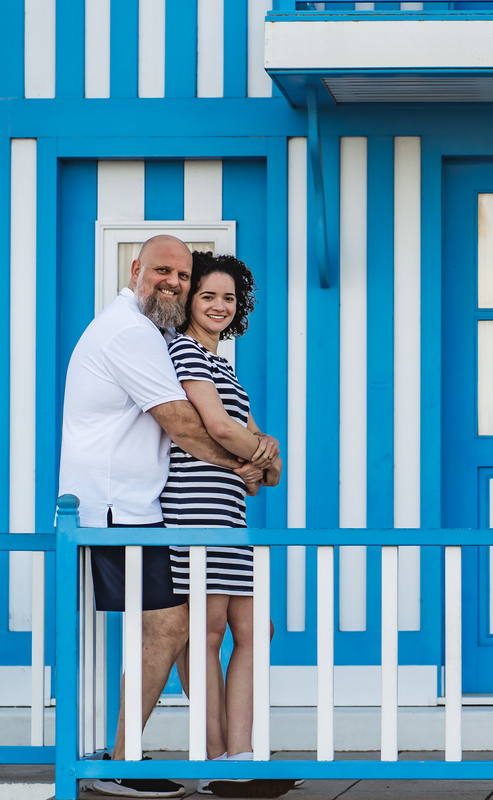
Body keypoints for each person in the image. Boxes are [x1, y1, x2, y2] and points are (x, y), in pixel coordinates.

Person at [59, 235, 271, 799]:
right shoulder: (131, 332)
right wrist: (251, 462)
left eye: (182, 275)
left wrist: (252, 461)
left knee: (176, 628)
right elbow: (184, 424)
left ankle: (135, 757)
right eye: (163, 272)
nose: (173, 283)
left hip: (137, 507)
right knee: (178, 628)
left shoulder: (151, 333)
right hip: (113, 507)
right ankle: (122, 762)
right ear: (135, 269)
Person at [160, 252, 293, 800]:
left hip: (231, 513)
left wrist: (257, 456)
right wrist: (256, 452)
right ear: (190, 300)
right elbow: (218, 426)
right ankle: (217, 761)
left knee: (255, 631)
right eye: (208, 295)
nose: (219, 306)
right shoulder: (184, 351)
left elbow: (271, 472)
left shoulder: (224, 366)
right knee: (207, 634)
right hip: (194, 509)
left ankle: (242, 753)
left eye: (229, 298)